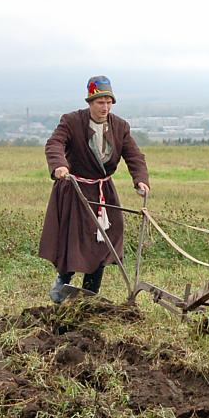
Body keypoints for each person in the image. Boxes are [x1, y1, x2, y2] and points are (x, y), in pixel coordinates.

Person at [39, 76, 150, 302]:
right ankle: (63, 281)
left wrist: (141, 180)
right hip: (75, 190)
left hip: (103, 191)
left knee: (104, 240)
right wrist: (59, 165)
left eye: (109, 102)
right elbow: (55, 144)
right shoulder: (71, 121)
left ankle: (90, 293)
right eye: (100, 102)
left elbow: (134, 155)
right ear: (90, 102)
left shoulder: (120, 126)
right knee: (74, 239)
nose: (105, 107)